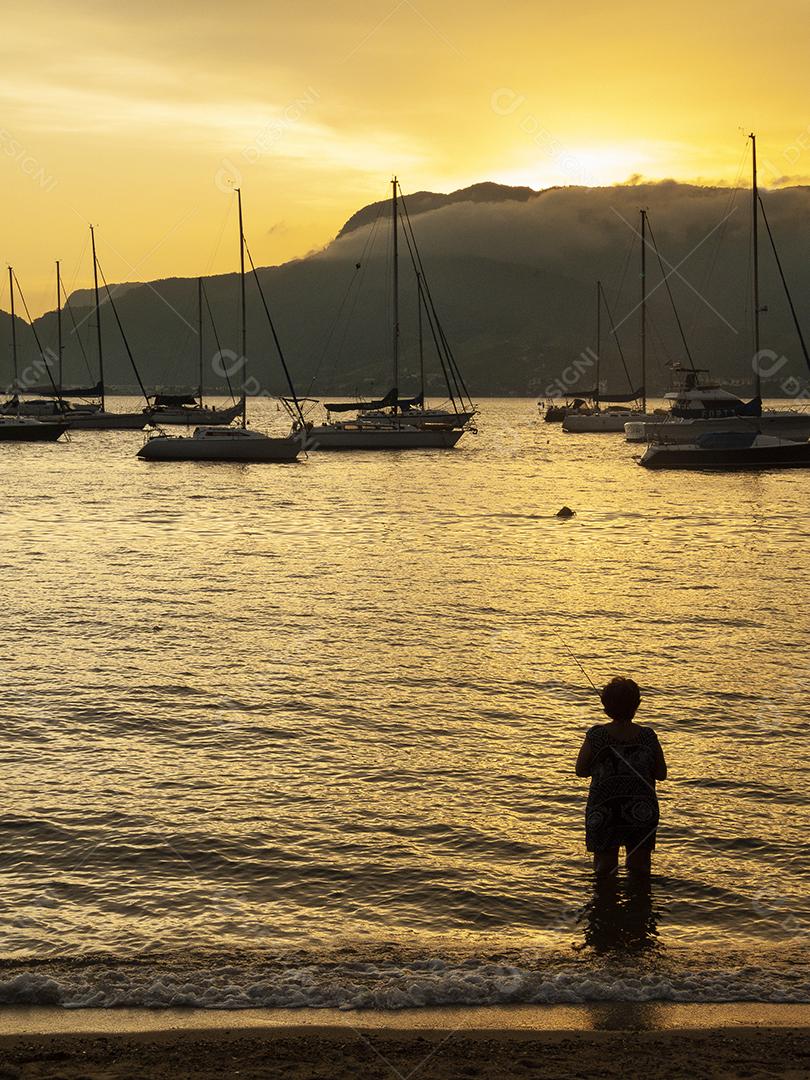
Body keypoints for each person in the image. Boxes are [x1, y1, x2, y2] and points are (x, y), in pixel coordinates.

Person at [575, 677, 667, 877]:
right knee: (640, 869)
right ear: (637, 705)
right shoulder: (648, 736)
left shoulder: (596, 736)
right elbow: (661, 774)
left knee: (604, 869)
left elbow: (580, 770)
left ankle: (604, 905)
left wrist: (604, 770)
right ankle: (640, 905)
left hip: (604, 808)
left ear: (605, 707)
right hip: (641, 809)